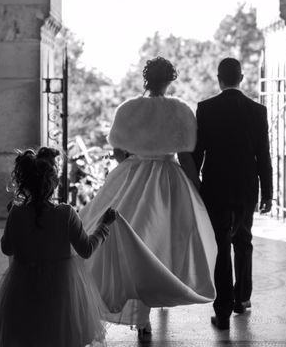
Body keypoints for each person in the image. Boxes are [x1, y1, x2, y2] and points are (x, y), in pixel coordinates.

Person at [79, 57, 217, 340]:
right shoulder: (180, 110)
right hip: (169, 180)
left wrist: (138, 152)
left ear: (146, 79)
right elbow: (186, 156)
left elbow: (118, 153)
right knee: (165, 240)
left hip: (132, 176)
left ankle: (143, 318)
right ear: (170, 80)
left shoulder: (129, 109)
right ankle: (160, 294)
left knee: (135, 240)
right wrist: (197, 186)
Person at [0, 147, 118, 347]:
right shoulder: (66, 213)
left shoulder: (16, 213)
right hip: (62, 287)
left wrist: (12, 222)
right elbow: (86, 249)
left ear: (24, 183)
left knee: (29, 333)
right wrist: (103, 226)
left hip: (23, 284)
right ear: (54, 183)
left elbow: (7, 249)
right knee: (61, 333)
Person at [193, 57, 273, 330]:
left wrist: (195, 185)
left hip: (216, 186)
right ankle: (242, 299)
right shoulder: (257, 110)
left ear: (219, 78)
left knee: (221, 246)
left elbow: (198, 151)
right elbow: (263, 154)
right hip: (247, 187)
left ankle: (223, 311)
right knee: (244, 240)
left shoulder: (205, 108)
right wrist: (268, 193)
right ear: (241, 78)